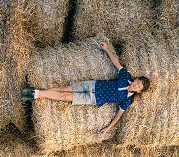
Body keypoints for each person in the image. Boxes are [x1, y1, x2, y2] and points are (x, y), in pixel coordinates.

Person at [21, 41, 150, 134]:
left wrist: (108, 128)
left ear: (139, 90)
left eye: (139, 86)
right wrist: (106, 49)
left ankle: (37, 94)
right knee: (64, 89)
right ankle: (36, 93)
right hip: (93, 84)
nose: (136, 84)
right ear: (136, 79)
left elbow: (118, 116)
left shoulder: (126, 100)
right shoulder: (125, 76)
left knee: (64, 96)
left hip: (93, 98)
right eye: (138, 81)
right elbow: (116, 62)